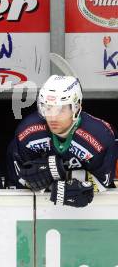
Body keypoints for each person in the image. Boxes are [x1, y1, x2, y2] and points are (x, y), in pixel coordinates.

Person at [6, 75, 117, 207]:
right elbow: (20, 179)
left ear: (76, 107)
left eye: (61, 109)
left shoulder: (100, 137)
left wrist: (62, 175)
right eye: (47, 108)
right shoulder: (27, 132)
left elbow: (104, 182)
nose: (52, 116)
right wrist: (51, 186)